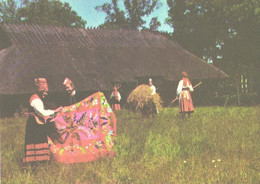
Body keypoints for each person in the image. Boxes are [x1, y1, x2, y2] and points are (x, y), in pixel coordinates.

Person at [23, 78, 63, 166]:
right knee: (36, 142)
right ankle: (35, 165)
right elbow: (42, 113)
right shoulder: (35, 100)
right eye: (44, 92)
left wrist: (55, 111)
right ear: (41, 90)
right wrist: (55, 111)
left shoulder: (38, 99)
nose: (46, 94)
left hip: (36, 125)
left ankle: (39, 164)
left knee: (39, 142)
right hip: (35, 126)